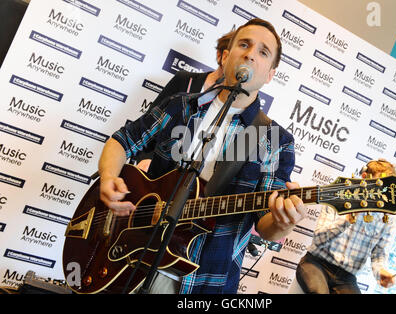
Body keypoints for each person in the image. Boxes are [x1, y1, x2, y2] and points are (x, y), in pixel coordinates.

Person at [98, 18, 305, 294]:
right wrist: (109, 177)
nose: (250, 54)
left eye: (263, 52)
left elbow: (266, 226)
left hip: (206, 279)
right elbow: (121, 141)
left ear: (270, 74)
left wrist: (283, 222)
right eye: (244, 44)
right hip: (133, 256)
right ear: (226, 54)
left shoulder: (274, 140)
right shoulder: (181, 107)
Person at [135, 30, 235, 172]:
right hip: (155, 170)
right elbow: (147, 126)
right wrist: (146, 159)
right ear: (221, 55)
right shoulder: (184, 80)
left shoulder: (235, 102)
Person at [296, 159, 396, 294]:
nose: (381, 191)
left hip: (347, 278)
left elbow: (378, 254)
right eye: (378, 184)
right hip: (315, 263)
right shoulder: (338, 195)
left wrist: (381, 272)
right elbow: (318, 239)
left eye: (386, 187)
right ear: (364, 177)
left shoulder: (387, 217)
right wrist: (347, 220)